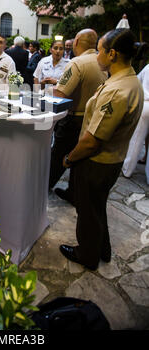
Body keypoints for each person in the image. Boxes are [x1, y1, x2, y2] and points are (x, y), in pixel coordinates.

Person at [59, 28, 144, 270]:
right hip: (113, 159)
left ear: (112, 54)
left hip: (98, 162)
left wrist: (69, 158)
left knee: (87, 211)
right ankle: (102, 248)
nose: (96, 57)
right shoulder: (130, 80)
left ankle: (87, 254)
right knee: (97, 207)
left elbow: (92, 141)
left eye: (99, 52)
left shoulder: (117, 90)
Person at [49, 29, 107, 192]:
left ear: (76, 42)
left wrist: (49, 89)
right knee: (79, 160)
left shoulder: (77, 63)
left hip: (73, 118)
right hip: (90, 118)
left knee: (58, 156)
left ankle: (45, 185)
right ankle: (73, 192)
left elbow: (60, 94)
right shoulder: (101, 61)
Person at [122, 63, 149, 183]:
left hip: (146, 103)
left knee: (136, 139)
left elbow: (137, 80)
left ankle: (127, 169)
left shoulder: (148, 67)